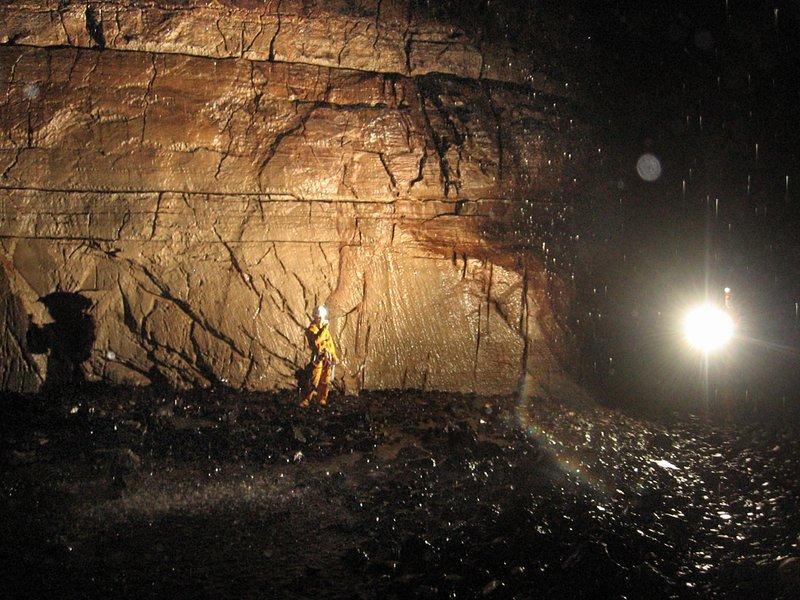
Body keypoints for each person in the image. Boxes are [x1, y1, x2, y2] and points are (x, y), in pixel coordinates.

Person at [300, 305, 339, 407]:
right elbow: (317, 341)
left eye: (322, 317)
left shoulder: (324, 330)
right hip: (318, 358)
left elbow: (330, 344)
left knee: (325, 380)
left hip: (327, 358)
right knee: (314, 379)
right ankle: (306, 399)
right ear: (315, 317)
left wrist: (334, 355)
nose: (321, 319)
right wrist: (324, 329)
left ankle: (322, 398)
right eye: (319, 317)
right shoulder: (311, 329)